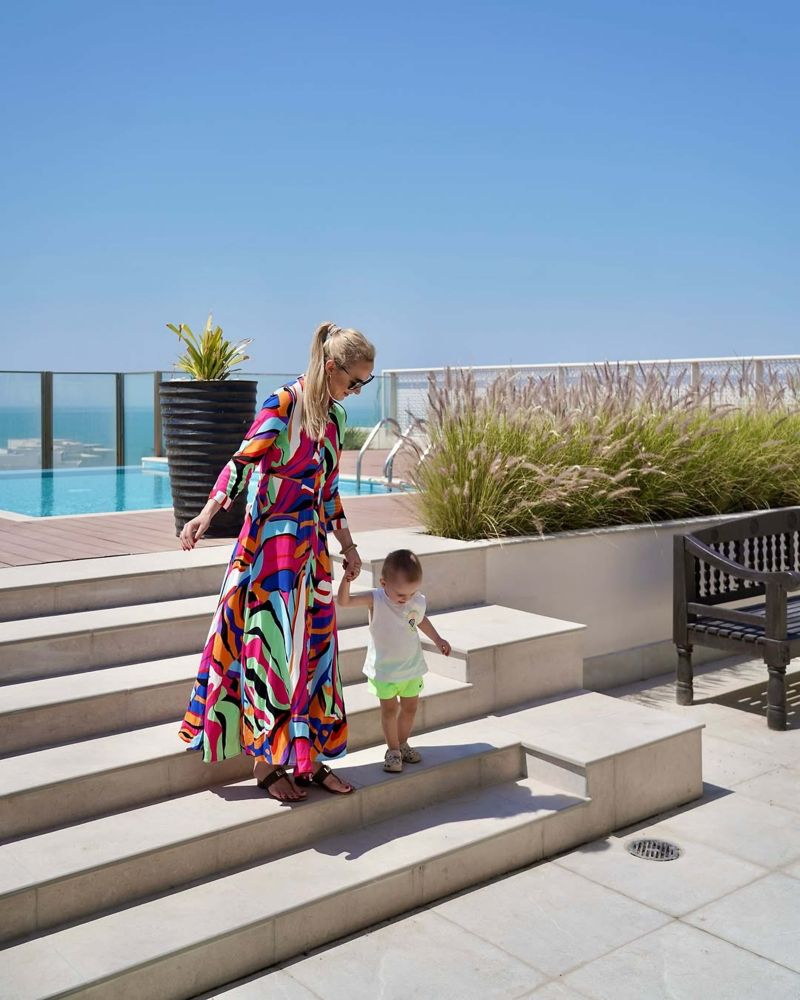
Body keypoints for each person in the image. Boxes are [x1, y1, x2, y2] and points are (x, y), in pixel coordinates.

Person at [178, 321, 376, 802]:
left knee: (315, 655)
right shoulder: (282, 405)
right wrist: (204, 514)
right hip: (271, 550)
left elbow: (329, 491)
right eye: (354, 381)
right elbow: (241, 463)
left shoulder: (336, 419)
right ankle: (267, 765)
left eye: (364, 384)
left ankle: (310, 758)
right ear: (330, 366)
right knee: (269, 651)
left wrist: (348, 547)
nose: (357, 390)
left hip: (312, 555)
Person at [336, 548, 452, 772]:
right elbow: (345, 601)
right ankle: (393, 751)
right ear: (383, 582)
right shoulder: (376, 599)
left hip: (411, 668)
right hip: (384, 672)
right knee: (390, 711)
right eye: (401, 595)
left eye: (411, 593)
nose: (406, 599)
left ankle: (403, 743)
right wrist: (346, 580)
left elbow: (420, 619)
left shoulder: (415, 600)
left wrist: (438, 639)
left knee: (410, 709)